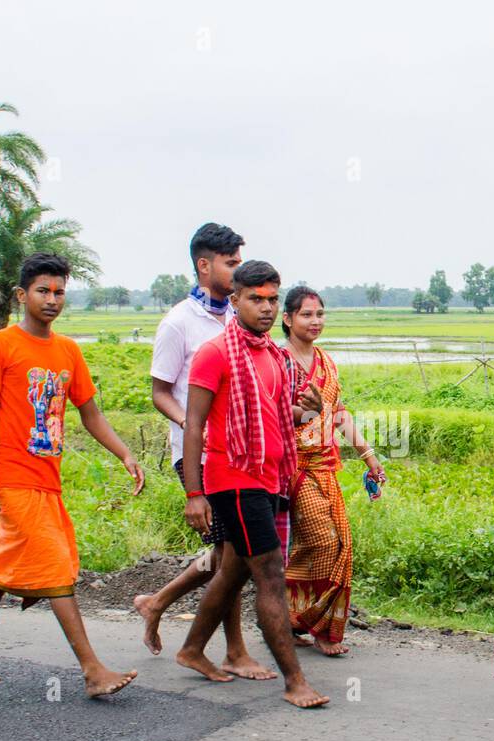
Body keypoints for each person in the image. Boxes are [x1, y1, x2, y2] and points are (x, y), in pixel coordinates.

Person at [0, 253, 143, 698]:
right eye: (43, 290)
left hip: (47, 477)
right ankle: (93, 670)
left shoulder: (68, 350)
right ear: (22, 295)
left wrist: (124, 454)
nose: (52, 299)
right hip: (12, 474)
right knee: (54, 563)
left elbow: (90, 414)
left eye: (59, 291)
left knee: (9, 564)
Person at [177, 261, 329, 709]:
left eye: (271, 300)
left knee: (235, 570)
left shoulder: (275, 356)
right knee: (270, 574)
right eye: (255, 299)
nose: (265, 309)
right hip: (233, 480)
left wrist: (312, 410)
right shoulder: (216, 352)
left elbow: (284, 419)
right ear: (236, 300)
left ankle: (190, 649)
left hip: (270, 477)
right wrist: (194, 492)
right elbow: (193, 425)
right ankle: (295, 680)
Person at [132, 223, 274, 681]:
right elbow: (160, 392)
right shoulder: (179, 323)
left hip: (241, 457)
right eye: (231, 263)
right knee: (234, 554)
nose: (237, 270)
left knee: (229, 554)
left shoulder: (239, 315)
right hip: (197, 454)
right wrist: (196, 426)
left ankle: (157, 603)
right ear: (204, 264)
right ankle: (230, 649)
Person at [278, 287, 386, 656]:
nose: (315, 321)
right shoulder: (278, 361)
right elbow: (270, 412)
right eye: (307, 314)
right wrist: (306, 413)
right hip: (292, 466)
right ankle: (313, 624)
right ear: (288, 319)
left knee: (341, 545)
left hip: (325, 465)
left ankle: (292, 618)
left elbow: (338, 412)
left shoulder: (325, 361)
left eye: (320, 314)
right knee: (324, 543)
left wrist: (368, 454)